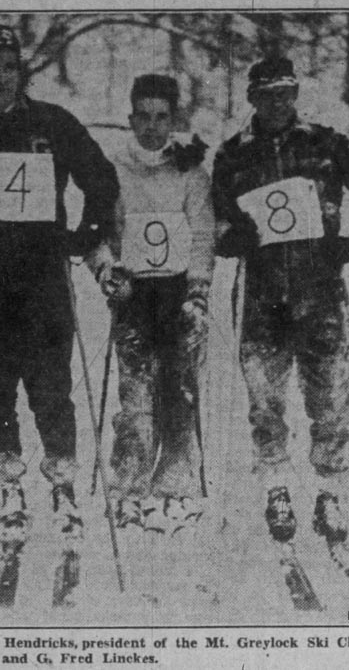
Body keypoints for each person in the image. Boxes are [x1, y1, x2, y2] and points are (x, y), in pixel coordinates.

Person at [0, 25, 119, 538]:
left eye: (9, 67)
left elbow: (100, 177)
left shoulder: (53, 123)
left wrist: (86, 232)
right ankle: (10, 486)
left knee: (50, 385)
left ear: (21, 70)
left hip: (42, 279)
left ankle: (63, 484)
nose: (0, 79)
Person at [210, 57, 349, 544]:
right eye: (267, 94)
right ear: (252, 98)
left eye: (286, 92)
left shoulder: (327, 142)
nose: (277, 103)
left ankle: (331, 493)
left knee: (332, 400)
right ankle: (276, 488)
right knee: (266, 401)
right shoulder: (232, 154)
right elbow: (215, 214)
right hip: (263, 296)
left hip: (321, 293)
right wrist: (231, 237)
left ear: (295, 94)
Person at [87, 75, 215, 533]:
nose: (152, 126)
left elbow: (202, 235)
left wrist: (199, 288)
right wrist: (107, 270)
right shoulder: (114, 170)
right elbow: (98, 232)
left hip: (178, 290)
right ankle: (128, 486)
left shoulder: (190, 172)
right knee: (136, 394)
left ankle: (176, 487)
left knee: (179, 390)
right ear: (130, 118)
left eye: (162, 116)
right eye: (144, 116)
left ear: (174, 119)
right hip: (136, 294)